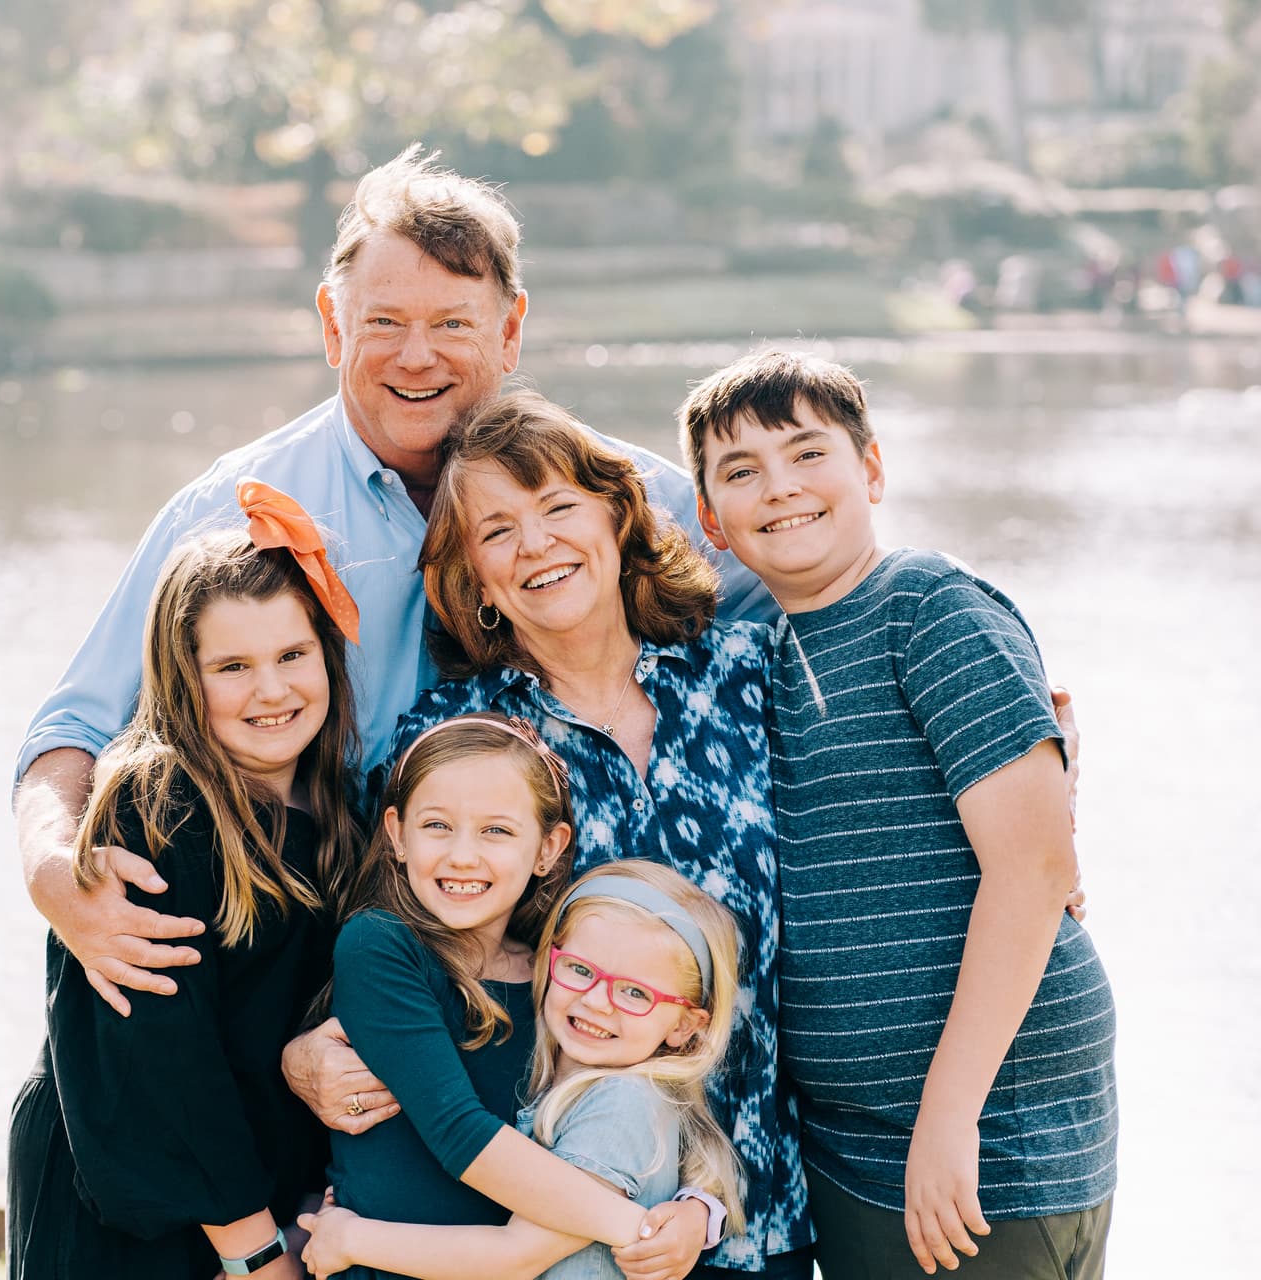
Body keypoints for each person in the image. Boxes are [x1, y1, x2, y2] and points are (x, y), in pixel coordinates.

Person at [11, 144, 770, 1031]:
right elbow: (75, 726)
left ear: (511, 330)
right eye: (384, 323)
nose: (418, 358)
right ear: (333, 324)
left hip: (559, 994)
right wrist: (53, 874)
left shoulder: (624, 503)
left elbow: (806, 610)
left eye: (454, 323)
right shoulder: (227, 509)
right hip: (277, 958)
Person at [680, 349, 1118, 1279]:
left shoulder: (926, 606)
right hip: (856, 1151)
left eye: (807, 454)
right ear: (712, 522)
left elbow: (1035, 866)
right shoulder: (766, 650)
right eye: (741, 472)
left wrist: (948, 1116)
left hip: (983, 1140)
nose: (781, 488)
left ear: (871, 470)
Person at [356, 390, 809, 1278]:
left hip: (758, 1197)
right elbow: (398, 945)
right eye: (497, 531)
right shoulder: (455, 739)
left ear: (618, 516)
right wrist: (315, 1043)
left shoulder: (745, 672)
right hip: (574, 1221)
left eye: (560, 507)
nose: (537, 545)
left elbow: (893, 772)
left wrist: (1043, 774)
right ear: (473, 578)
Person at [6, 491, 362, 1280]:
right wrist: (256, 1255)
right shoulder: (156, 808)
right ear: (181, 677)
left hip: (252, 1190)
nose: (271, 691)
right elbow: (164, 1057)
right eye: (233, 667)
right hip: (145, 1207)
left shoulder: (339, 807)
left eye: (291, 656)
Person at [304, 714, 699, 1279]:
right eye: (438, 825)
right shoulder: (381, 945)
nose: (464, 856)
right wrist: (635, 1227)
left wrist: (692, 1211)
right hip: (383, 1265)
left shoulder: (559, 971)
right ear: (396, 834)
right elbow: (459, 1134)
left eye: (496, 831)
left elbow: (655, 1092)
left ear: (548, 848)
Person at [300, 859, 746, 1280]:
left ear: (686, 1025)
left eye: (634, 993)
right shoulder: (567, 1080)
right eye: (578, 969)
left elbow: (516, 1255)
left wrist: (351, 1239)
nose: (595, 1000)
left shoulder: (621, 1104)